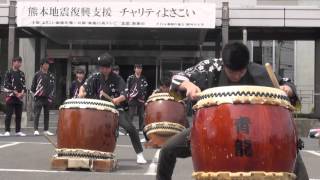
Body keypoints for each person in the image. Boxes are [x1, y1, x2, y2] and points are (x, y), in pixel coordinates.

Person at [156, 42, 308, 180]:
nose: (236, 76)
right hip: (212, 131)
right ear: (224, 64)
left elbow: (287, 84)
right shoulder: (211, 67)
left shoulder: (260, 72)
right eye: (232, 72)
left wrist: (287, 90)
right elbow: (177, 79)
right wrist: (188, 85)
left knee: (290, 149)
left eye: (240, 72)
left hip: (260, 133)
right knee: (167, 150)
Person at [78, 55, 147, 164]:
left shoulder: (117, 78)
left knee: (130, 128)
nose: (103, 70)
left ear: (110, 67)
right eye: (101, 67)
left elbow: (125, 94)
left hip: (115, 109)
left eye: (106, 67)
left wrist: (118, 99)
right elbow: (83, 86)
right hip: (98, 109)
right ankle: (86, 152)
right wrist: (81, 93)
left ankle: (139, 154)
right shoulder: (95, 77)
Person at [2, 56, 27, 137]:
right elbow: (6, 84)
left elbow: (24, 85)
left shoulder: (21, 73)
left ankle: (18, 131)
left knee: (18, 115)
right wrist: (15, 92)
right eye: (18, 62)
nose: (19, 63)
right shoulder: (8, 72)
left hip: (19, 97)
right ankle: (7, 130)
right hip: (10, 96)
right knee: (9, 114)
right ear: (13, 62)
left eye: (20, 62)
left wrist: (22, 92)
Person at [31, 58, 55, 136]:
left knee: (46, 114)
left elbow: (53, 86)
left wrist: (51, 96)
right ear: (41, 65)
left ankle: (46, 129)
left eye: (48, 64)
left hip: (47, 97)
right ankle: (35, 129)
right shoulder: (37, 74)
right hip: (39, 97)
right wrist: (34, 95)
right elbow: (33, 87)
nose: (47, 65)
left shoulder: (51, 75)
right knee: (37, 113)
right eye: (45, 64)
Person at [127, 64, 148, 132]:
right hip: (132, 98)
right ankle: (129, 129)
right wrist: (128, 97)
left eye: (140, 68)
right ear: (134, 69)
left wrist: (144, 98)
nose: (139, 69)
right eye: (137, 68)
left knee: (141, 115)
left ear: (141, 70)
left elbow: (145, 88)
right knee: (131, 115)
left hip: (141, 99)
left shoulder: (143, 78)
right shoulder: (130, 78)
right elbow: (127, 88)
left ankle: (141, 128)